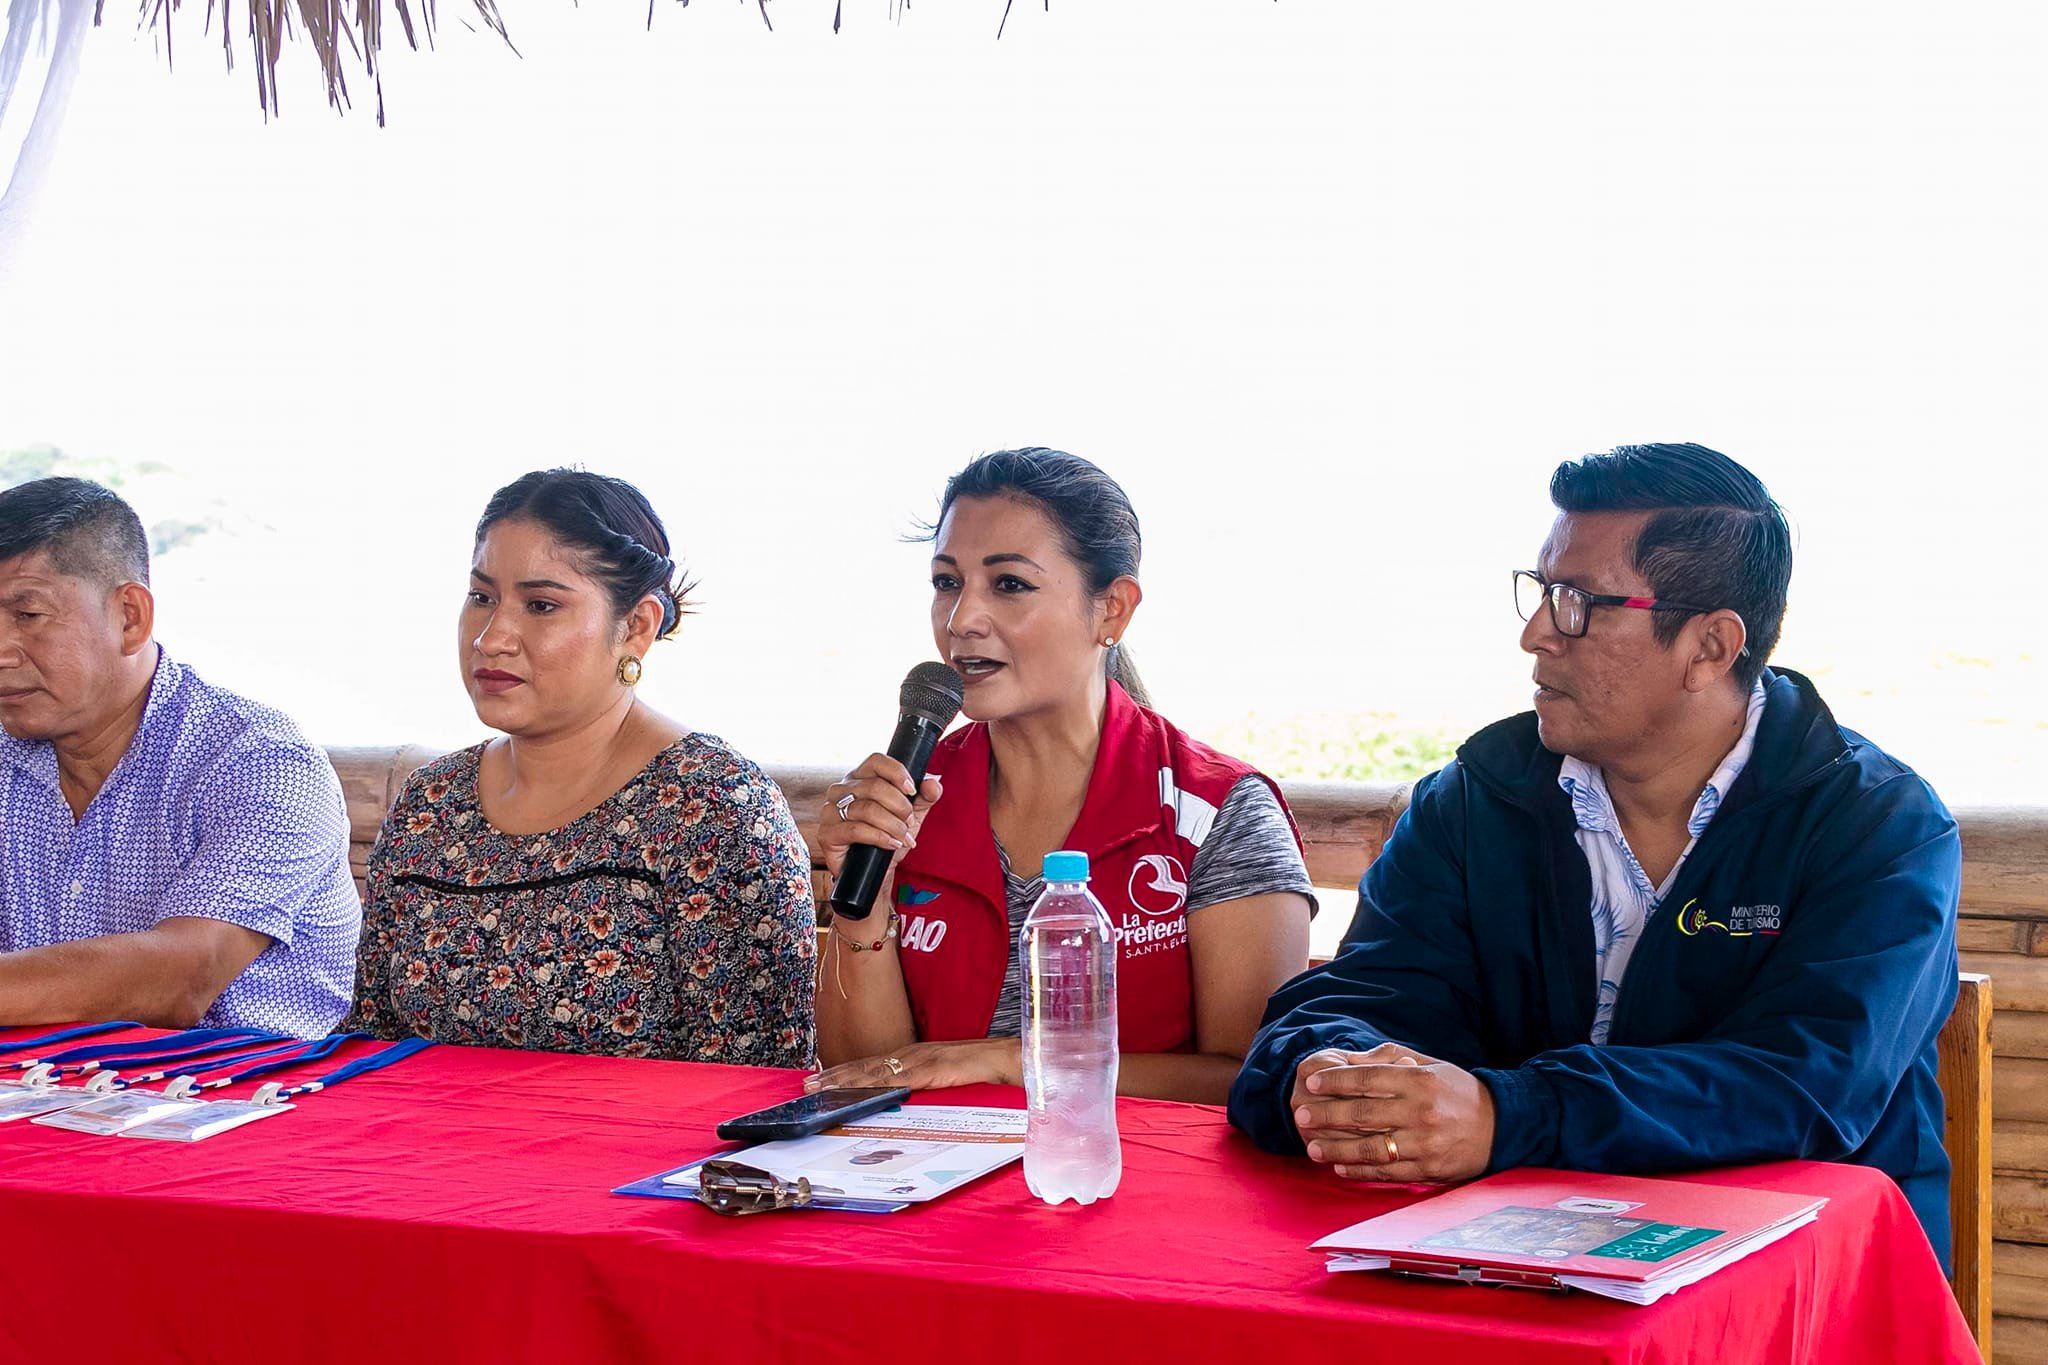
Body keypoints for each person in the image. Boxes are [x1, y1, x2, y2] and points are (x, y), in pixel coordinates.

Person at [1228, 443, 1962, 1264]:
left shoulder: (1875, 821)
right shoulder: (1474, 802)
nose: (1535, 635)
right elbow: (1363, 998)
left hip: (1801, 1272)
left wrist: (1509, 1114)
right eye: (1541, 591)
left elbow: (1807, 1084)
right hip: (1507, 1255)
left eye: (1578, 603)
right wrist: (1332, 1077)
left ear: (1710, 646)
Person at [809, 448, 1314, 1105]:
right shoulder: (909, 801)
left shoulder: (1220, 811)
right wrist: (863, 907)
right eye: (946, 582)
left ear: (1113, 610)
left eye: (1009, 584)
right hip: (926, 1166)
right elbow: (865, 1079)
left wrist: (1006, 1061)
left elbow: (1250, 1079)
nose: (962, 620)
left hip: (1134, 1168)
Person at [346, 469, 816, 1066]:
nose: (491, 638)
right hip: (419, 1128)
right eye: (481, 597)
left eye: (541, 606)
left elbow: (761, 1083)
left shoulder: (713, 807)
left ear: (637, 627)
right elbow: (371, 1044)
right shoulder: (430, 803)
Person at [0, 477, 359, 1036]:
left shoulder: (262, 762)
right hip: (35, 1081)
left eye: (27, 615)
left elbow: (183, 977)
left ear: (130, 617)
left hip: (242, 1083)